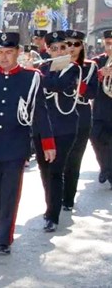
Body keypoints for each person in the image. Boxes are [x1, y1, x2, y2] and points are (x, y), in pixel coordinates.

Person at [0, 32, 56, 255]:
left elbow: (40, 112)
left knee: (9, 193)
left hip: (16, 145)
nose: (4, 57)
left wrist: (47, 143)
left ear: (18, 52)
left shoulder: (32, 77)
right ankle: (2, 227)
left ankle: (4, 237)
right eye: (0, 52)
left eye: (9, 52)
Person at [37, 31, 81, 232]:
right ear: (48, 50)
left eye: (63, 47)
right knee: (44, 171)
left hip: (64, 128)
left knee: (55, 171)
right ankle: (50, 205)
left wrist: (36, 74)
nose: (60, 51)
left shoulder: (73, 69)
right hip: (42, 127)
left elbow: (60, 85)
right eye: (54, 48)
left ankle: (52, 215)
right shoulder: (42, 68)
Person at [63, 30, 98, 210]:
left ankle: (68, 198)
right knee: (58, 160)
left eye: (76, 44)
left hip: (81, 114)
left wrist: (77, 79)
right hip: (60, 115)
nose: (72, 48)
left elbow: (92, 93)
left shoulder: (90, 66)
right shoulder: (56, 64)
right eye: (68, 44)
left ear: (81, 46)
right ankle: (55, 196)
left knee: (74, 159)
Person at [91, 30, 112, 187]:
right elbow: (88, 82)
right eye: (108, 44)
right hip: (100, 109)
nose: (110, 47)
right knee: (96, 138)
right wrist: (100, 74)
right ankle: (105, 167)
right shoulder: (97, 62)